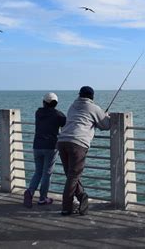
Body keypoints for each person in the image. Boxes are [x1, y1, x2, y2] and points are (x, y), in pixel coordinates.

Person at [57, 86, 110, 216]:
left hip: (62, 142)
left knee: (71, 176)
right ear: (92, 96)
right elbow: (106, 125)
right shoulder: (94, 108)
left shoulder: (72, 106)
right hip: (78, 144)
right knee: (73, 176)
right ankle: (66, 207)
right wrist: (106, 115)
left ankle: (82, 198)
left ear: (79, 95)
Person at [23, 92, 66, 208]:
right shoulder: (59, 115)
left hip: (37, 145)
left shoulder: (38, 113)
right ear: (56, 104)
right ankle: (42, 198)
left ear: (44, 102)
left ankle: (30, 192)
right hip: (51, 147)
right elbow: (66, 125)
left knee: (38, 171)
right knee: (47, 173)